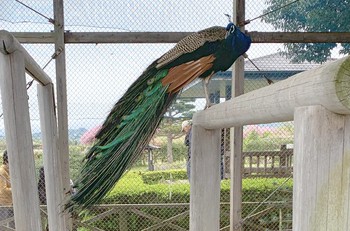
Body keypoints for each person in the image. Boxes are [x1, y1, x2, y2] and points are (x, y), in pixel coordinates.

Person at [0, 150, 14, 230]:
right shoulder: (2, 172)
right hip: (3, 204)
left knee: (12, 226)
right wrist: (16, 189)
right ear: (6, 161)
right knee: (3, 226)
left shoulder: (9, 171)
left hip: (10, 203)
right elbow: (3, 190)